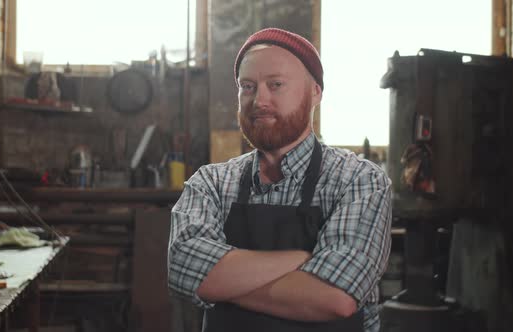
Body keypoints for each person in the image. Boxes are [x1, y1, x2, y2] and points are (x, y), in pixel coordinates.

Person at [168, 27, 392, 332]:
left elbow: (338, 298)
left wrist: (223, 283)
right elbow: (185, 269)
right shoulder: (211, 183)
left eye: (276, 84)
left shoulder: (359, 180)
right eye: (247, 86)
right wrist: (302, 259)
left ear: (315, 92)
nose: (259, 100)